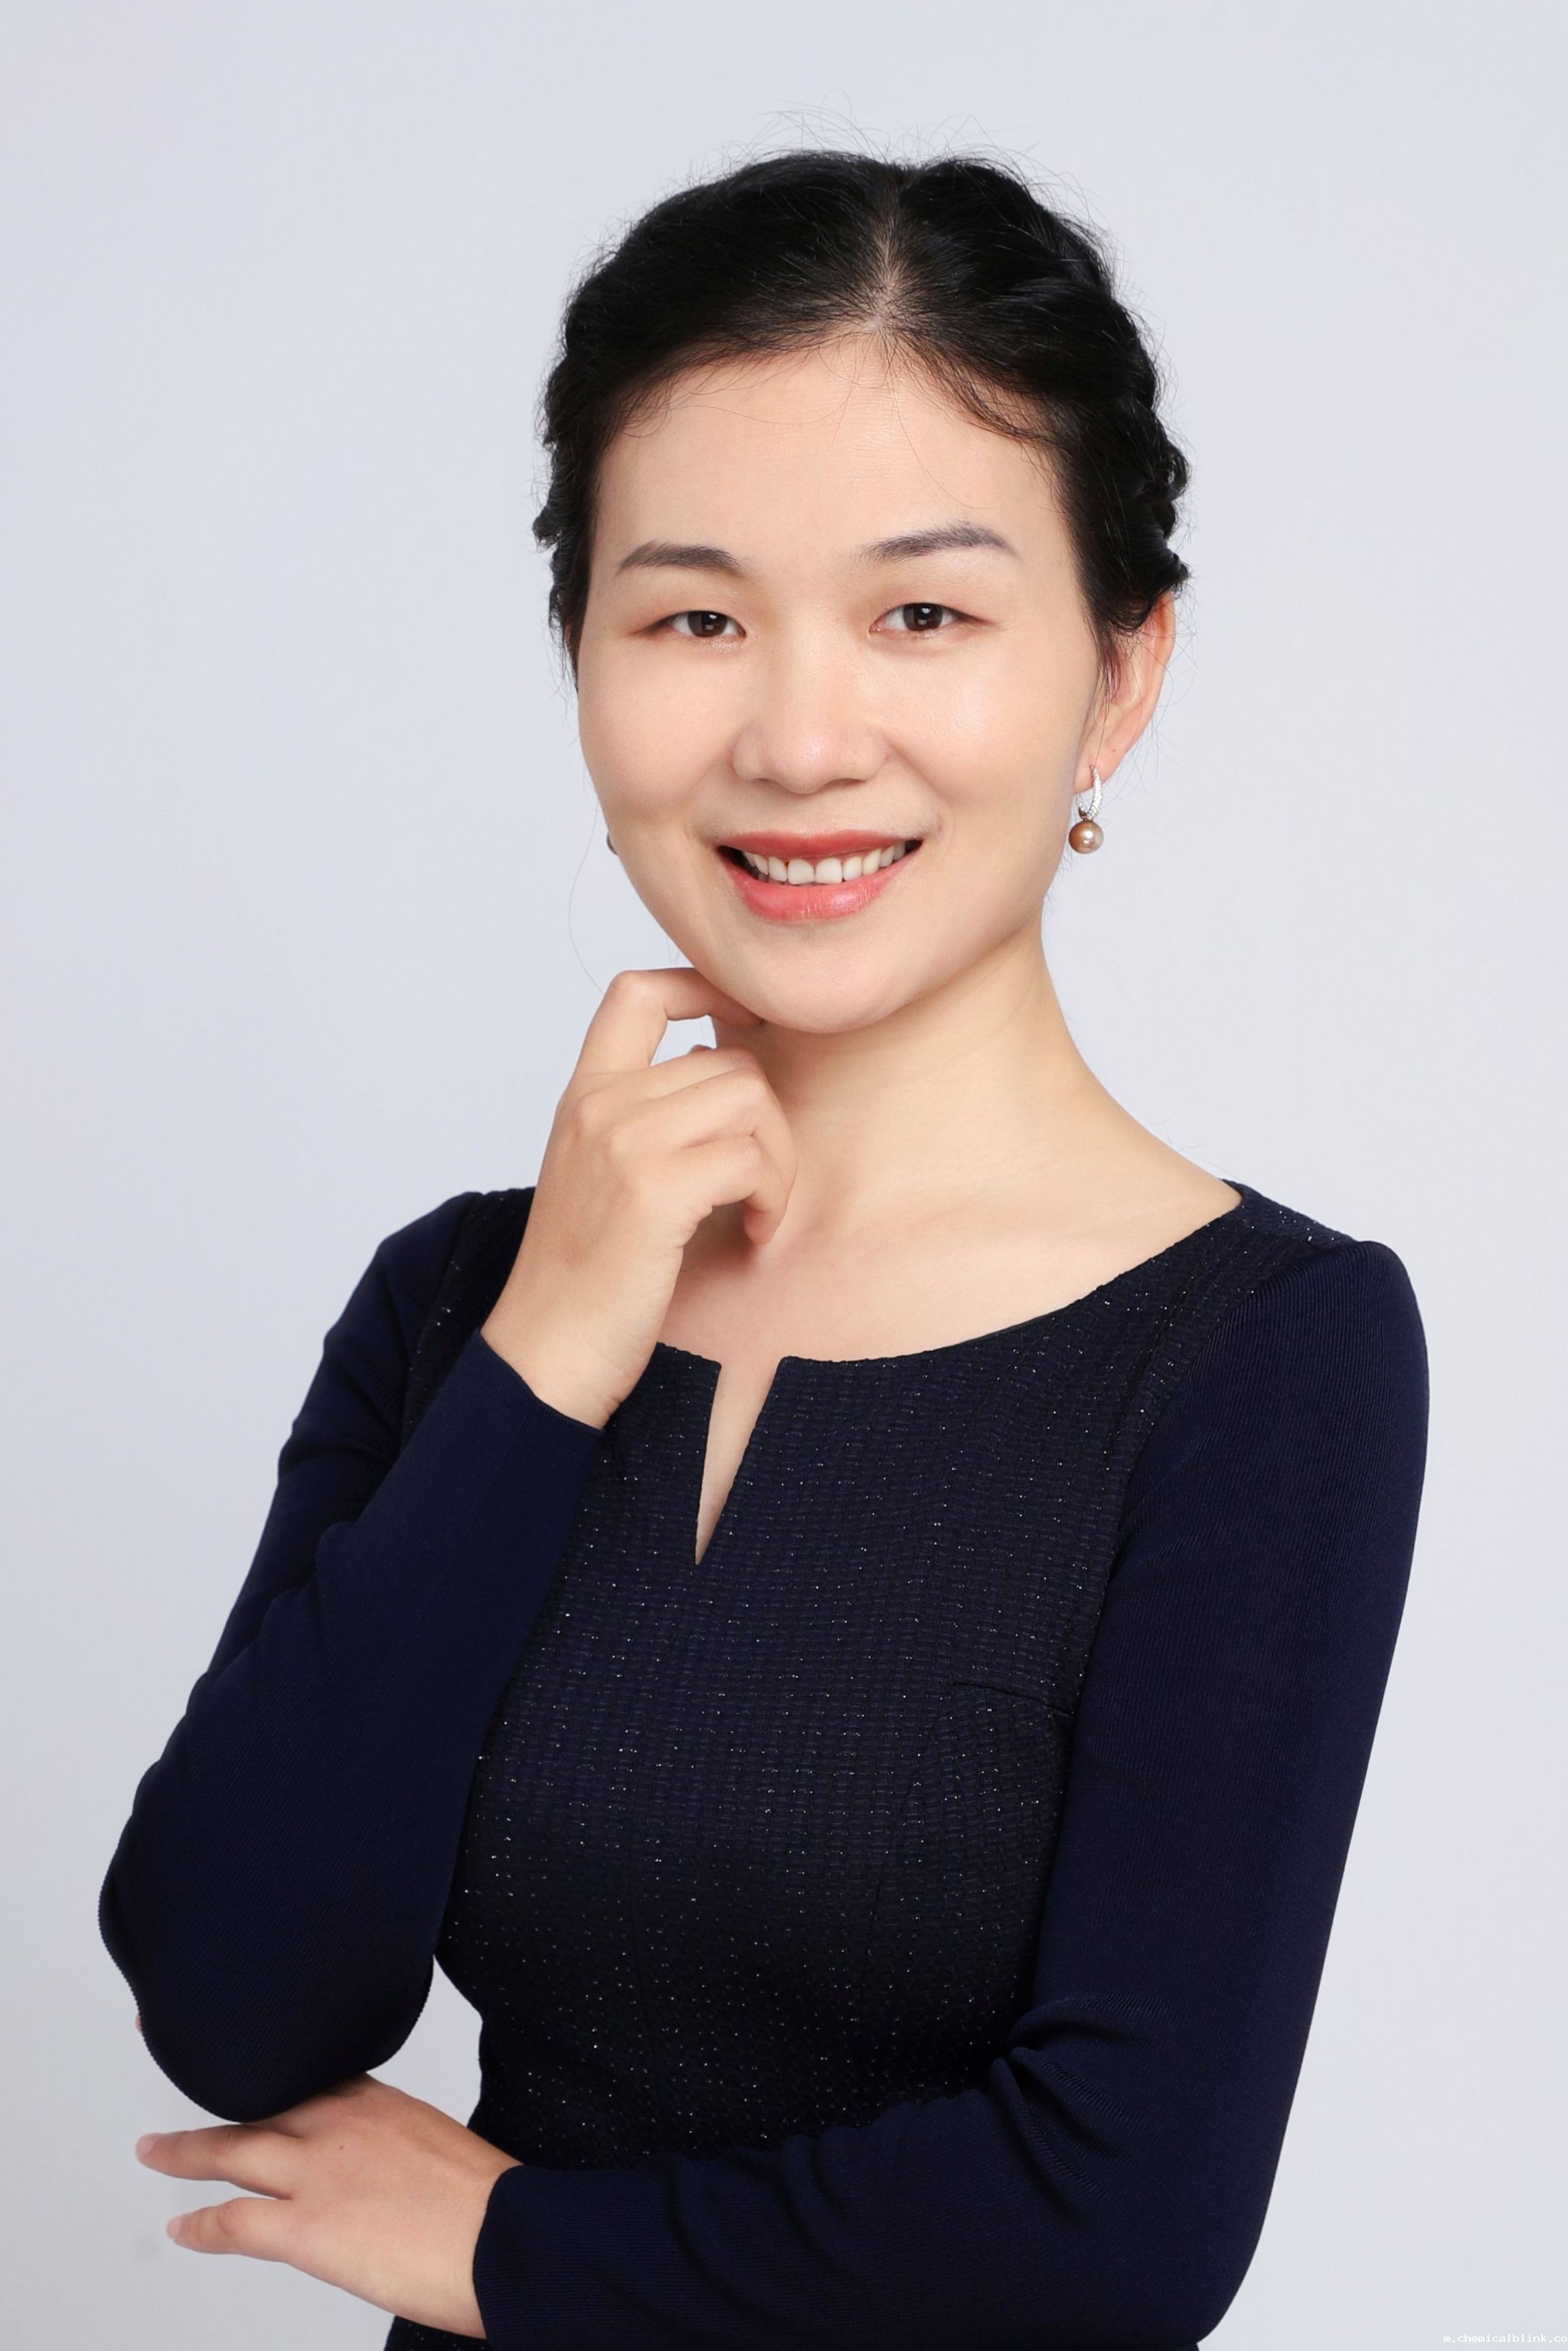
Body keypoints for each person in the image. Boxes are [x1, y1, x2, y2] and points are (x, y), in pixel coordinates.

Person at [100, 149, 1430, 2349]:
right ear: (583, 662)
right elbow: (239, 2001)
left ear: (1117, 677)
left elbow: (1118, 2222)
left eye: (925, 615)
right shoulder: (460, 1304)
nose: (801, 741)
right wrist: (552, 1345)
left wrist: (512, 2253)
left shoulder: (1265, 1352)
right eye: (695, 617)